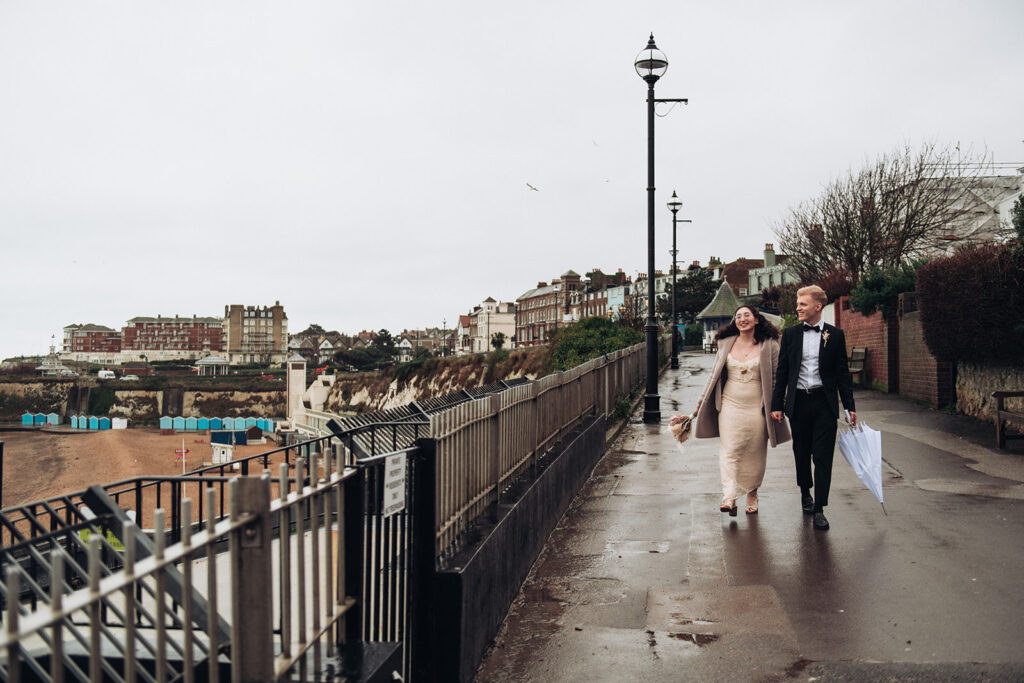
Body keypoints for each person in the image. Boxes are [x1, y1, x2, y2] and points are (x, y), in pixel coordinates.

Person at [769, 285, 857, 531]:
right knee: (802, 453)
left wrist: (850, 407)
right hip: (798, 402)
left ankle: (820, 508)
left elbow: (842, 374)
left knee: (823, 457)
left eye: (803, 304)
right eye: (798, 304)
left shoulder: (835, 336)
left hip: (824, 404)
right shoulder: (791, 334)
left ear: (818, 307)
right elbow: (783, 371)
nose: (798, 308)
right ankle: (805, 492)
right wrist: (777, 404)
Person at [694, 305, 791, 516]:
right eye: (738, 316)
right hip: (730, 405)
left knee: (755, 451)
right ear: (734, 322)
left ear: (757, 320)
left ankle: (751, 493)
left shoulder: (770, 345)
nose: (742, 319)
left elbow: (777, 378)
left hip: (758, 408)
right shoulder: (725, 343)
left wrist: (778, 405)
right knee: (729, 450)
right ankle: (728, 496)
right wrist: (701, 400)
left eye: (747, 315)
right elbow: (713, 375)